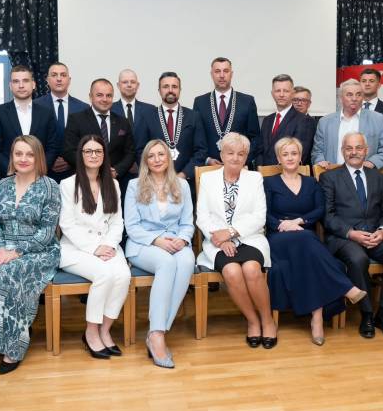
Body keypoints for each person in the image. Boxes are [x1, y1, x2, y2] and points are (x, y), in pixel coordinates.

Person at [265, 137, 366, 345]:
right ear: (278, 158)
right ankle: (345, 289)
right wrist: (283, 225)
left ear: (300, 157)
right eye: (285, 154)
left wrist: (300, 221)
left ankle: (317, 318)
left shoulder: (312, 182)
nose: (290, 158)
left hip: (305, 236)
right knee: (307, 239)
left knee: (307, 247)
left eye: (294, 153)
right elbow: (264, 213)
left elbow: (320, 210)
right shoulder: (268, 182)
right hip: (279, 238)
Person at [0, 135, 61, 374]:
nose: (23, 159)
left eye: (30, 154)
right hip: (3, 249)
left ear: (38, 158)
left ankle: (13, 349)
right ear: (12, 157)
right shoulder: (2, 185)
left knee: (11, 274)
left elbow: (47, 231)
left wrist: (17, 252)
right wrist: (0, 248)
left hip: (39, 251)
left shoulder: (49, 187)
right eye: (18, 154)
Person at [320, 132, 383, 339]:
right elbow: (327, 216)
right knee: (358, 259)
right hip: (344, 237)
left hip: (375, 235)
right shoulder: (329, 177)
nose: (354, 152)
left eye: (358, 148)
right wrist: (351, 233)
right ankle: (367, 314)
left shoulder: (378, 177)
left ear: (366, 151)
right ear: (342, 151)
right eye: (349, 148)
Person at [195, 133, 277, 348]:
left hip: (249, 238)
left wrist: (230, 233)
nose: (235, 158)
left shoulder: (255, 178)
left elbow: (259, 217)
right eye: (230, 153)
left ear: (246, 157)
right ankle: (252, 321)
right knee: (231, 271)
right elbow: (202, 216)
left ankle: (267, 320)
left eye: (241, 154)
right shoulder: (208, 179)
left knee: (251, 269)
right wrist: (221, 240)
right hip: (217, 242)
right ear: (221, 154)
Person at [125, 140, 195, 367]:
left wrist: (182, 239)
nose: (157, 160)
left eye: (161, 155)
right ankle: (157, 336)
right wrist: (157, 241)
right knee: (166, 263)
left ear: (169, 157)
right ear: (145, 160)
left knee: (187, 261)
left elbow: (188, 223)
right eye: (151, 156)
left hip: (175, 241)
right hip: (143, 244)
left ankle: (157, 331)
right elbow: (132, 227)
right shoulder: (134, 185)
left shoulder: (182, 185)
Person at [59, 135, 130, 359]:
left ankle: (105, 330)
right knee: (104, 275)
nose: (93, 155)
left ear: (104, 155)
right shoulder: (68, 184)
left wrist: (108, 245)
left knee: (123, 276)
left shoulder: (113, 184)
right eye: (88, 151)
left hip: (108, 245)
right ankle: (91, 331)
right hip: (76, 248)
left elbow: (117, 221)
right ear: (80, 155)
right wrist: (94, 248)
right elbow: (67, 224)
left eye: (98, 151)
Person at [133, 71, 207, 184]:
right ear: (159, 90)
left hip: (186, 182)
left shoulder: (193, 116)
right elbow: (141, 151)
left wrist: (183, 175)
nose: (170, 90)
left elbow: (201, 151)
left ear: (180, 90)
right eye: (166, 86)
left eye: (174, 86)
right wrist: (157, 175)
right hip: (155, 183)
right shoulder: (147, 117)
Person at [0, 65, 59, 180]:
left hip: (40, 177)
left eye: (25, 81)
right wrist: (13, 171)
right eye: (16, 81)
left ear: (33, 84)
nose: (21, 85)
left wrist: (39, 170)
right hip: (8, 177)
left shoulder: (47, 113)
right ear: (10, 86)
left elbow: (52, 147)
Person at [62, 78, 135, 184]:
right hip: (85, 180)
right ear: (90, 96)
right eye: (99, 95)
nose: (105, 99)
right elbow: (69, 151)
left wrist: (117, 170)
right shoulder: (76, 119)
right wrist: (93, 169)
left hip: (116, 180)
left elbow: (130, 152)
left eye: (109, 95)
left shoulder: (123, 121)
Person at [192, 57, 261, 165]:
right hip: (209, 168)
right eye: (217, 71)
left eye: (226, 71)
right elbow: (196, 138)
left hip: (239, 167)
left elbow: (255, 139)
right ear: (211, 74)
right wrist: (207, 160)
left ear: (231, 74)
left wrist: (241, 160)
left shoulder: (247, 101)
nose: (222, 75)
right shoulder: (200, 102)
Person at [312, 79, 383, 168]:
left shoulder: (377, 119)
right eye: (349, 95)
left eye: (358, 94)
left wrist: (372, 162)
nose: (354, 99)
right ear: (341, 98)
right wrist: (321, 161)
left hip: (365, 174)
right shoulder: (325, 122)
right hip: (333, 173)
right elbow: (317, 151)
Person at [33, 62, 88, 182]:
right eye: (54, 75)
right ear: (47, 80)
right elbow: (34, 139)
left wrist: (70, 161)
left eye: (63, 75)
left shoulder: (83, 108)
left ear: (69, 80)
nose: (59, 79)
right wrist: (49, 161)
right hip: (43, 172)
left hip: (75, 173)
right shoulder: (35, 106)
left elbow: (85, 142)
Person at [259, 74, 315, 165]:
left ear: (292, 93)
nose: (281, 95)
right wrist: (261, 169)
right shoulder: (267, 120)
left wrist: (272, 171)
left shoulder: (304, 121)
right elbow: (260, 150)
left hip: (288, 173)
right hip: (262, 172)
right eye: (278, 91)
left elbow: (300, 155)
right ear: (272, 94)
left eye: (286, 91)